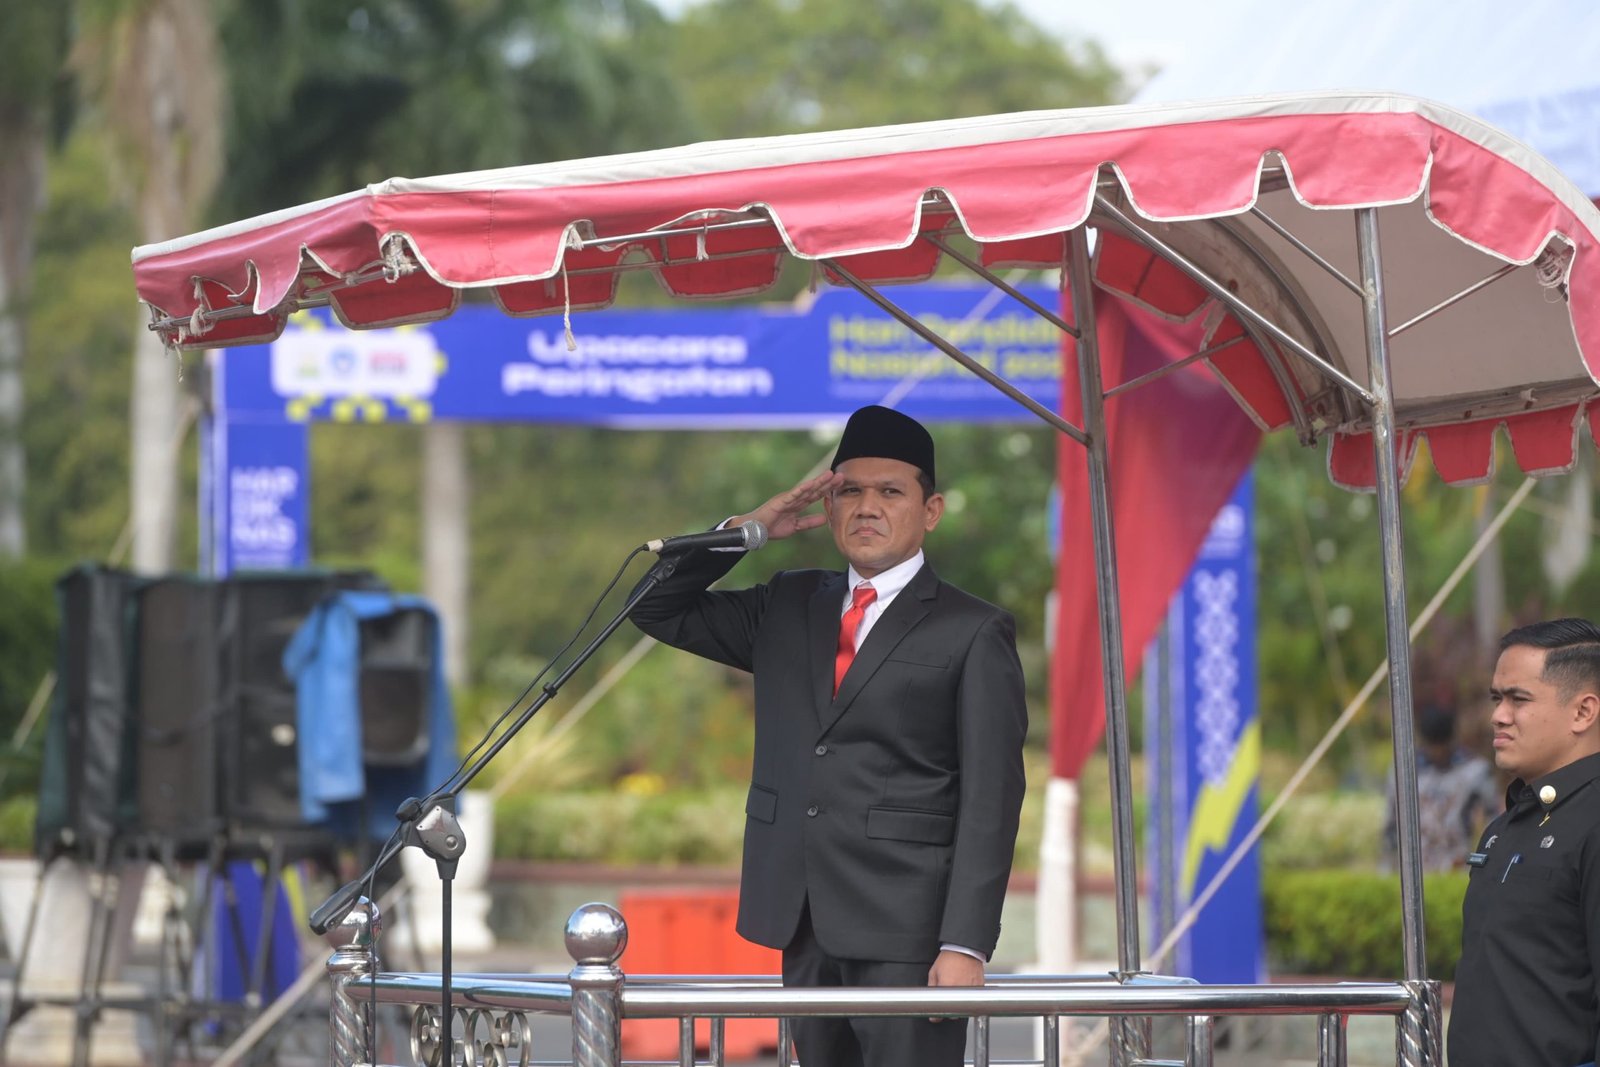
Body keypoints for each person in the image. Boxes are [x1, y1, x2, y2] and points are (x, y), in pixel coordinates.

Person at [630, 405, 1028, 1067]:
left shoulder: (973, 629)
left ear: (930, 510)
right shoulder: (788, 604)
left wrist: (965, 943)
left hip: (911, 934)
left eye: (890, 491)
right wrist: (747, 531)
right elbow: (652, 606)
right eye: (850, 491)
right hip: (804, 917)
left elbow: (993, 798)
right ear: (829, 503)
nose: (867, 507)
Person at [1448, 618, 1600, 1067]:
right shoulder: (1505, 826)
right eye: (1497, 698)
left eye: (1519, 699)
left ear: (1583, 712)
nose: (1498, 715)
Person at [1381, 703, 1498, 872]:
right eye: (1432, 746)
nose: (1437, 753)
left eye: (1442, 746)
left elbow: (1493, 819)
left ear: (1451, 739)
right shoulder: (1404, 772)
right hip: (1416, 867)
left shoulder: (1474, 770)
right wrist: (1388, 867)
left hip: (1458, 864)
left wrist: (1482, 861)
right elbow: (1391, 823)